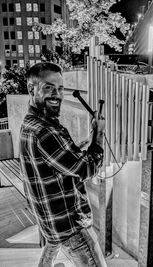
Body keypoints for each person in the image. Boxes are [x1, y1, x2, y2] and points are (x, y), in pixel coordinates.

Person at [19, 62, 107, 267]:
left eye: (60, 88)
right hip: (70, 225)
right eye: (49, 87)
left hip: (49, 219)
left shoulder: (30, 123)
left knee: (52, 245)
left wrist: (77, 148)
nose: (57, 94)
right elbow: (86, 168)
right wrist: (100, 133)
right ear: (31, 89)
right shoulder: (46, 131)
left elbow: (55, 161)